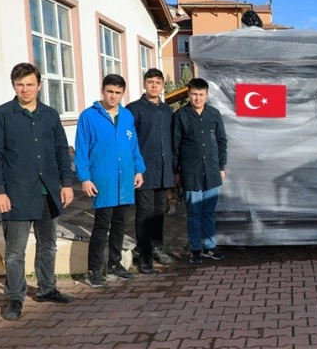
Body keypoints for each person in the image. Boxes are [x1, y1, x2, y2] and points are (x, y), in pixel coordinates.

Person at [0, 62, 75, 320]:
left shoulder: (51, 114)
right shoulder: (1, 115)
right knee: (15, 252)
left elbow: (61, 151)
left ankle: (47, 289)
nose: (25, 89)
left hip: (48, 192)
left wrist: (66, 183)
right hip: (16, 194)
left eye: (30, 84)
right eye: (20, 85)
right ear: (14, 86)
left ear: (39, 85)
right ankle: (15, 298)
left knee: (48, 246)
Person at [76, 74, 145, 287]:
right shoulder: (89, 116)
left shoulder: (126, 116)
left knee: (120, 224)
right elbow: (81, 149)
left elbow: (133, 146)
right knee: (101, 226)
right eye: (110, 91)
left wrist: (139, 170)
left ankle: (115, 264)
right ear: (103, 91)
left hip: (124, 181)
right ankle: (94, 270)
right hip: (103, 181)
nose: (113, 96)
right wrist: (85, 178)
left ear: (123, 93)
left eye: (117, 92)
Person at [173, 78, 228, 263]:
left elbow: (222, 142)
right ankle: (196, 249)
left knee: (209, 212)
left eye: (201, 95)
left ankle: (210, 247)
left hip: (212, 171)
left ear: (207, 95)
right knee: (194, 212)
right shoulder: (180, 115)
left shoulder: (214, 114)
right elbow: (175, 145)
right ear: (189, 94)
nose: (197, 98)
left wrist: (221, 166)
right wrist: (176, 171)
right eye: (194, 94)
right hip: (190, 172)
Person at [126, 68, 174, 273]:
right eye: (150, 82)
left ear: (163, 85)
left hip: (164, 170)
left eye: (158, 82)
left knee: (159, 211)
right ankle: (144, 254)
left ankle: (157, 247)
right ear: (144, 84)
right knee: (144, 213)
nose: (154, 85)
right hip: (143, 170)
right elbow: (128, 142)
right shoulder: (133, 109)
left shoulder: (167, 110)